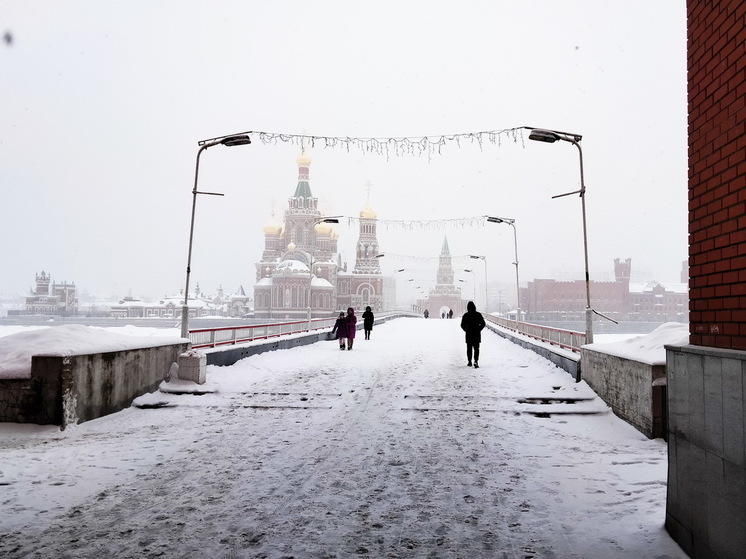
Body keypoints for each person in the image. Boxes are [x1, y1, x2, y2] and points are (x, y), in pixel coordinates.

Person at [460, 301, 485, 368]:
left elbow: (462, 325)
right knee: (476, 349)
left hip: (469, 335)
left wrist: (466, 330)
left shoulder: (466, 315)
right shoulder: (478, 314)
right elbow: (483, 324)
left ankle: (469, 362)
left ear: (467, 307)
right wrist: (479, 329)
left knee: (469, 349)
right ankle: (476, 361)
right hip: (476, 334)